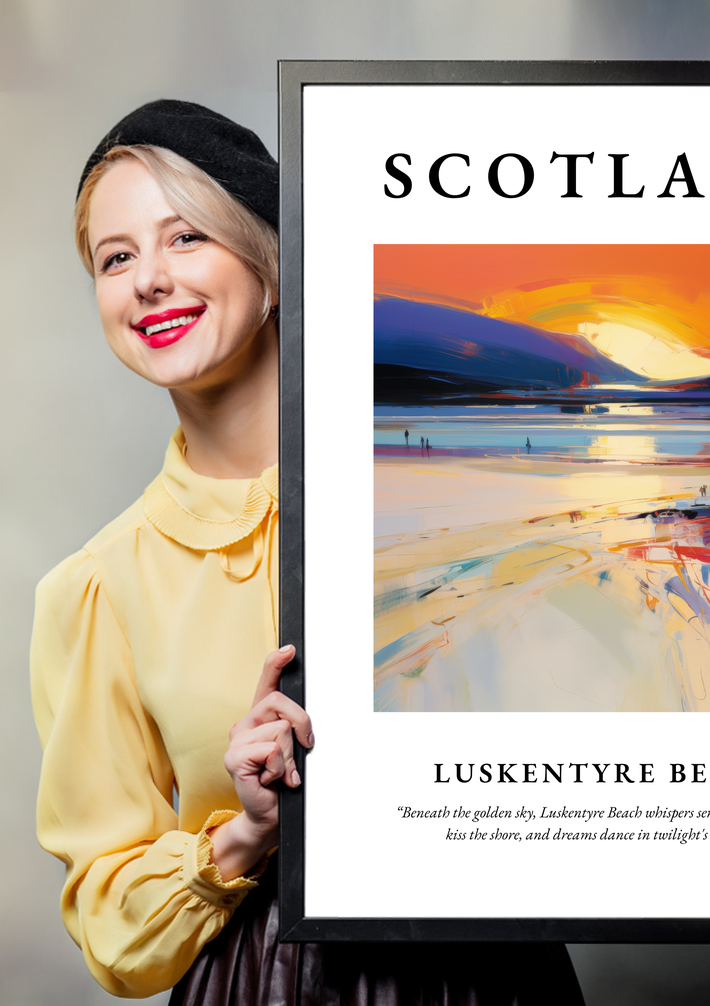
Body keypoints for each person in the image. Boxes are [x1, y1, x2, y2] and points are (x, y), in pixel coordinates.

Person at [30, 100, 585, 1004]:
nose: (148, 281)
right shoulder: (97, 587)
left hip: (492, 972)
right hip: (263, 982)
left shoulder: (458, 491)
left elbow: (622, 699)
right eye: (116, 257)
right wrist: (245, 832)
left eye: (186, 239)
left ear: (273, 264)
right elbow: (110, 923)